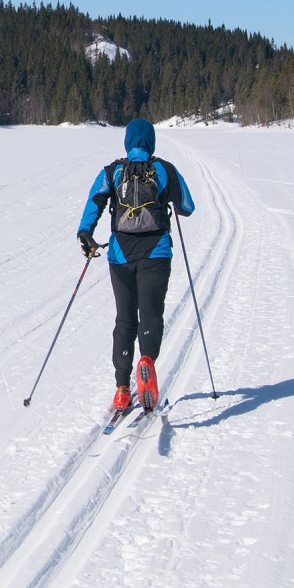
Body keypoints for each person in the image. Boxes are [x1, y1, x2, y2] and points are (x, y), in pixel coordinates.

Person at [76, 117, 195, 416]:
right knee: (151, 315)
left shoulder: (113, 170)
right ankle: (147, 363)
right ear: (151, 141)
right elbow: (188, 208)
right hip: (156, 253)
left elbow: (94, 201)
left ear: (127, 141)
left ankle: (121, 389)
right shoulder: (164, 169)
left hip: (120, 255)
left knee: (125, 319)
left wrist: (85, 233)